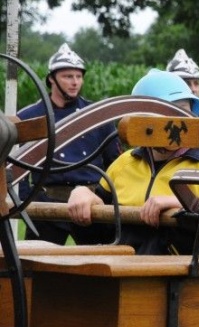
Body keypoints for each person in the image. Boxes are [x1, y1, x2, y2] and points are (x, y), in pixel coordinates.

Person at [67, 69, 199, 256]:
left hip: (183, 282)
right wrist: (83, 201)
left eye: (184, 111)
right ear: (140, 122)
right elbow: (96, 240)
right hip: (125, 278)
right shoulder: (122, 166)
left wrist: (187, 209)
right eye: (167, 114)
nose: (179, 123)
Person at [16, 43, 122, 245]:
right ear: (51, 79)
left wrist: (106, 201)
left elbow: (115, 164)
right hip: (47, 206)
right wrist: (30, 202)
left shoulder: (97, 114)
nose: (74, 82)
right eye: (67, 76)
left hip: (91, 206)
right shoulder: (29, 117)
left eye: (78, 76)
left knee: (100, 267)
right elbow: (19, 168)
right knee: (36, 269)